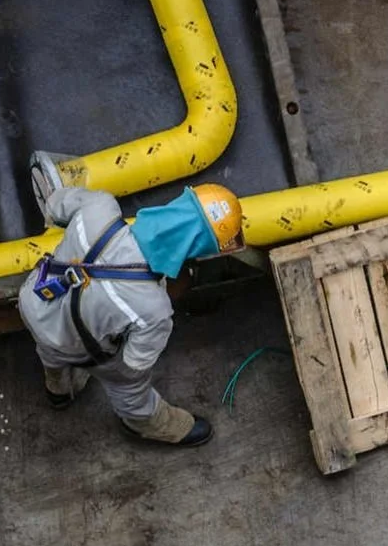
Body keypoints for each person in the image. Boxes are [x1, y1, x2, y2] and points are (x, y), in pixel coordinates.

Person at [16, 175, 243, 447]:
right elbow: (133, 366)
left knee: (49, 349)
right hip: (73, 344)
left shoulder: (99, 207)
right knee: (128, 384)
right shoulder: (154, 311)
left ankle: (58, 389)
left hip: (34, 305)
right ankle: (143, 422)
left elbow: (54, 206)